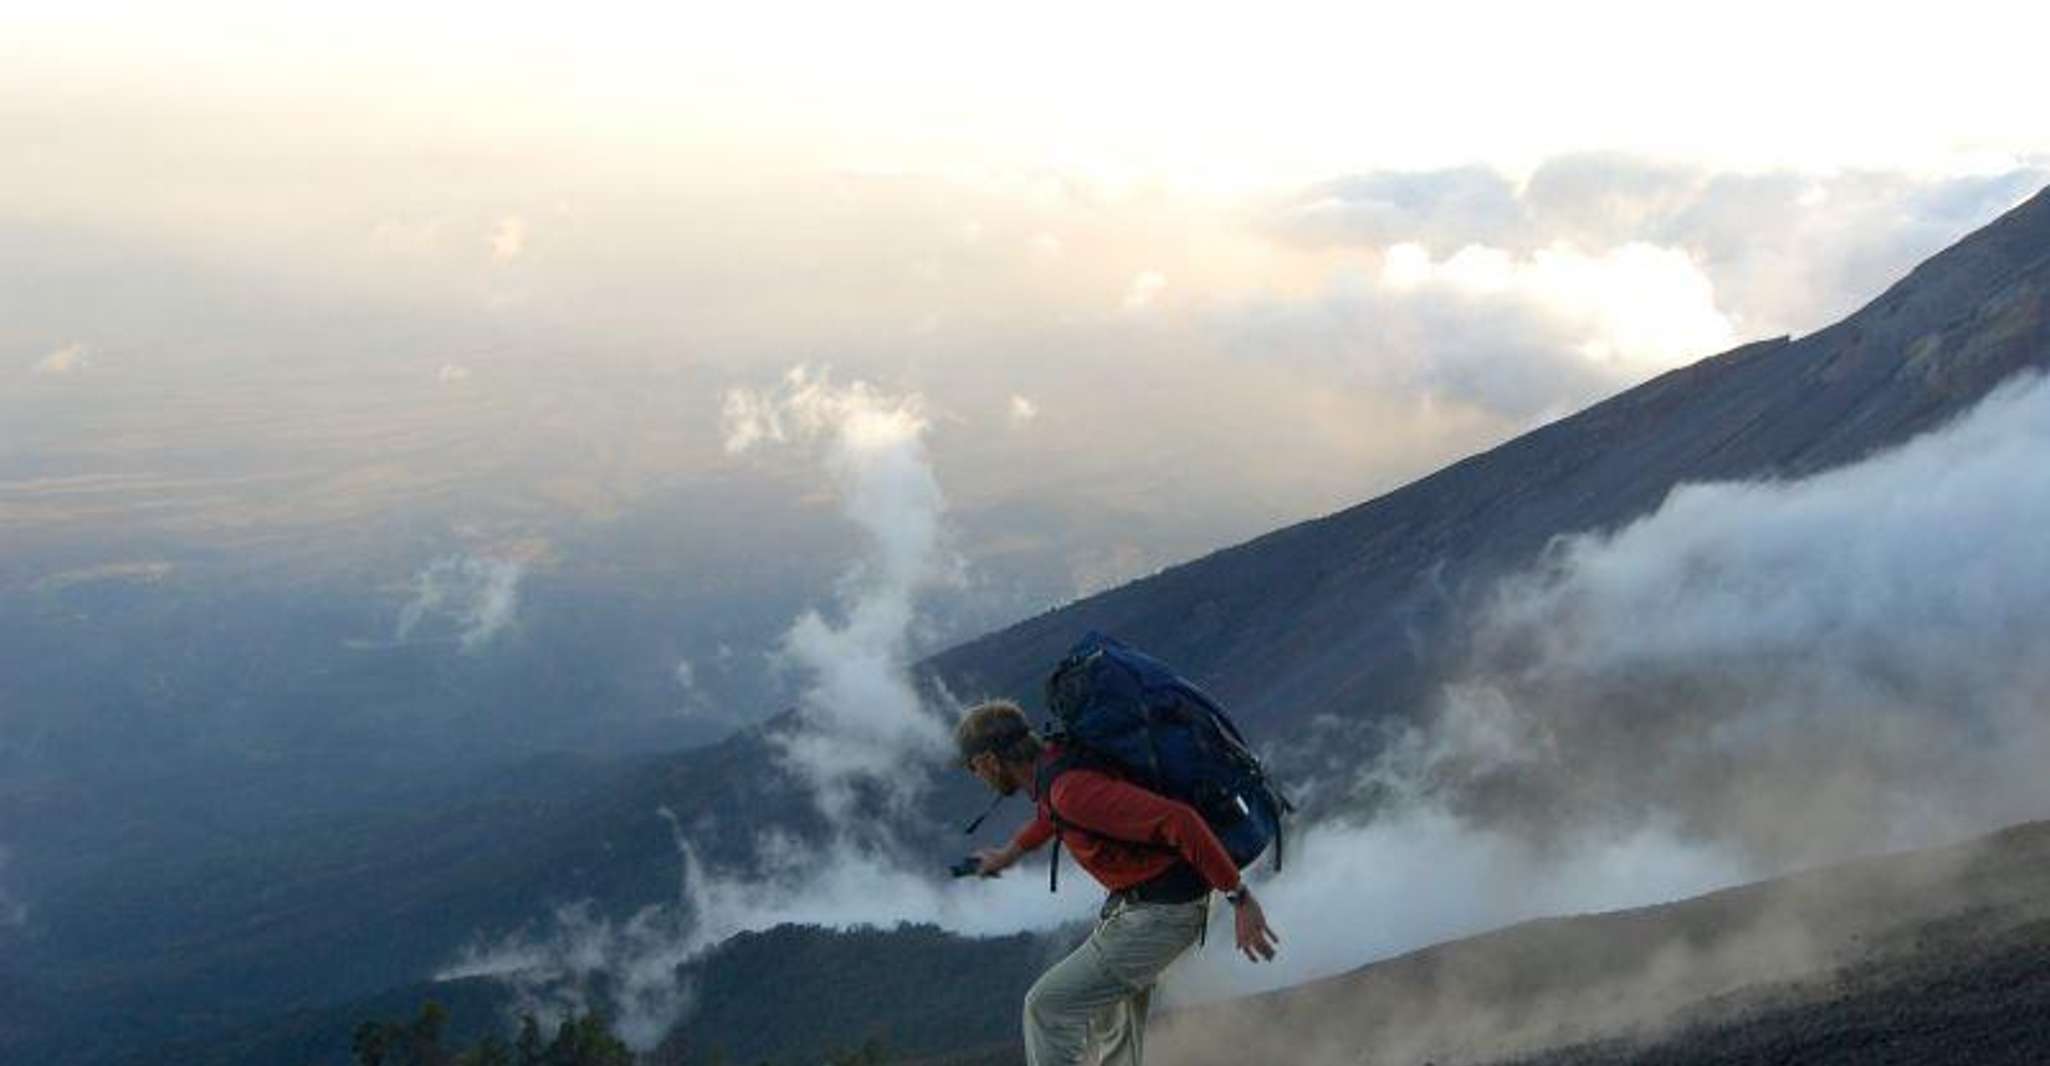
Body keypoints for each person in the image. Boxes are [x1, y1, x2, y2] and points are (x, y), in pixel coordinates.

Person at [955, 699, 1279, 1066]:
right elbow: (1052, 815)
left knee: (1046, 1008)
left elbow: (1180, 821)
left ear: (989, 761)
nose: (976, 775)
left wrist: (1240, 897)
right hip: (1144, 906)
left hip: (1160, 915)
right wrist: (1008, 854)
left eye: (972, 767)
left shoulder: (1069, 789)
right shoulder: (1056, 766)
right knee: (1113, 1020)